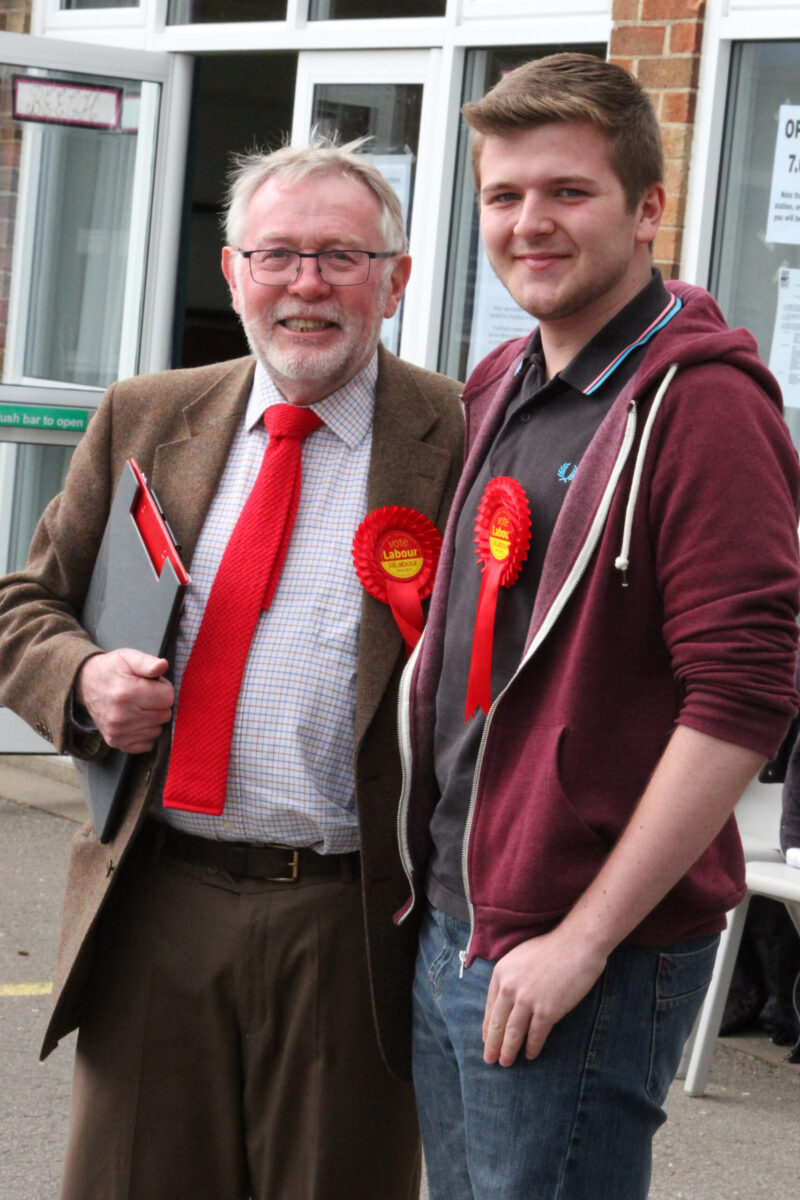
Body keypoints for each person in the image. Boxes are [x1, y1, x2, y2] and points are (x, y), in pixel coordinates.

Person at [0, 136, 463, 1200]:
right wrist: (78, 681)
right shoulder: (145, 415)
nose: (307, 285)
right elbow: (23, 604)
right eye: (278, 255)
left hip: (351, 922)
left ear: (394, 280)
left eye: (342, 257)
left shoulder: (461, 435)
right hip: (156, 897)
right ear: (231, 273)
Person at [396, 52, 800, 1199]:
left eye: (567, 192)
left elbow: (743, 698)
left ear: (647, 208)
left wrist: (579, 940)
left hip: (581, 949)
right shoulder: (497, 385)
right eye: (504, 195)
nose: (531, 223)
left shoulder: (703, 405)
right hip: (455, 921)